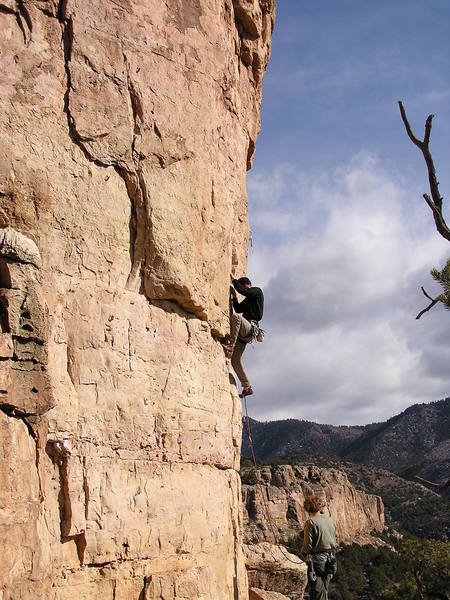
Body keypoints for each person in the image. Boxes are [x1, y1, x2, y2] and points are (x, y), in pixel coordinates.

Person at [224, 274, 264, 398]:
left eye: (243, 287)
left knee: (236, 317)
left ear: (246, 285)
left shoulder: (257, 292)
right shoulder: (248, 300)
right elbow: (238, 307)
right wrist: (234, 296)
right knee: (235, 360)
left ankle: (231, 344)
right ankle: (247, 386)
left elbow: (243, 291)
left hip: (250, 328)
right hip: (244, 332)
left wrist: (233, 281)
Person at [301, 495, 336, 600]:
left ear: (307, 508)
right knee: (324, 588)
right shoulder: (330, 520)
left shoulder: (310, 522)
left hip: (317, 561)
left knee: (317, 591)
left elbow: (308, 546)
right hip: (331, 559)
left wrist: (303, 552)